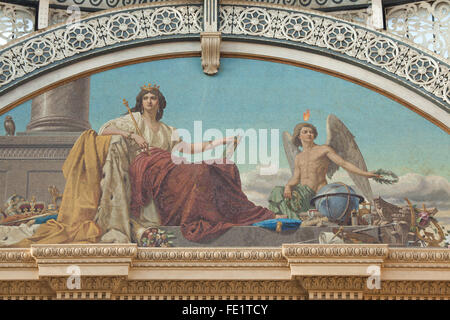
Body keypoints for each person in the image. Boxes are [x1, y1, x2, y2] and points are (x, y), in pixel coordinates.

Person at [96, 83, 276, 243]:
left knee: (208, 169)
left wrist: (221, 141)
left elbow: (188, 148)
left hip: (167, 167)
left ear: (159, 102)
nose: (149, 101)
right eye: (146, 98)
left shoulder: (168, 129)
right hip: (147, 168)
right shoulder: (133, 120)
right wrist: (132, 135)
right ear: (141, 102)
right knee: (195, 172)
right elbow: (104, 130)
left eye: (153, 98)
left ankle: (226, 213)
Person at [268, 122, 380, 219]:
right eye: (305, 132)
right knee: (277, 191)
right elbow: (296, 178)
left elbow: (343, 163)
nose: (309, 134)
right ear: (299, 136)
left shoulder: (323, 149)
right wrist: (288, 186)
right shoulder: (299, 157)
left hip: (320, 192)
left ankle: (293, 218)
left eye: (311, 132)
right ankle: (284, 219)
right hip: (303, 193)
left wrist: (365, 174)